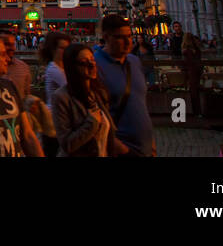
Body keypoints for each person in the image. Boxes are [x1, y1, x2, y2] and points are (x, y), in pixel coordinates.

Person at [94, 15, 155, 155]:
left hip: (145, 147)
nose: (128, 42)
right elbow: (95, 117)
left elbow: (141, 104)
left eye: (129, 36)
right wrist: (122, 150)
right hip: (120, 149)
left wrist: (151, 144)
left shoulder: (134, 61)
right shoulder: (94, 65)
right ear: (106, 37)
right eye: (120, 37)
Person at [53, 43, 119, 156]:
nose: (92, 65)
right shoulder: (61, 97)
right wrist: (91, 123)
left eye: (92, 59)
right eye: (84, 62)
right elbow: (67, 144)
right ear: (73, 67)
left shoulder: (98, 93)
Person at [0, 29, 31, 100]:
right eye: (6, 44)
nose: (12, 48)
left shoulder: (23, 67)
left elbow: (27, 96)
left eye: (13, 44)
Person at [39, 32, 71, 107]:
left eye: (67, 48)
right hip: (55, 112)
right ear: (53, 49)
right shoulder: (54, 69)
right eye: (62, 48)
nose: (66, 51)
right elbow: (70, 88)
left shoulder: (62, 66)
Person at [181, 32, 204, 120]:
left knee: (193, 90)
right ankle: (197, 111)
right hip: (196, 71)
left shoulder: (186, 50)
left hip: (190, 72)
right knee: (195, 90)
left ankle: (195, 111)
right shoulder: (195, 49)